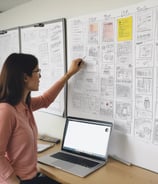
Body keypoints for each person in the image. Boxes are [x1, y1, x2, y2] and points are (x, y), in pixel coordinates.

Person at [0, 53, 84, 184]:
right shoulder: (7, 110)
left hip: (31, 176)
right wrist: (13, 180)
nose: (40, 76)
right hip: (18, 180)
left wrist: (69, 74)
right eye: (37, 71)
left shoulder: (24, 104)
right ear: (25, 77)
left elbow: (46, 100)